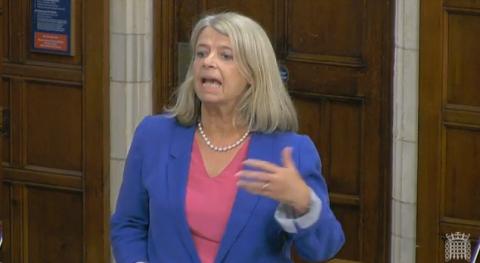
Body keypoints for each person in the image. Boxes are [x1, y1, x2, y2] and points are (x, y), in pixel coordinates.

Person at [110, 12, 345, 263]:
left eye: (225, 55)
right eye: (201, 53)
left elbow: (324, 250)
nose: (208, 62)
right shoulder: (154, 135)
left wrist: (303, 202)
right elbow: (128, 223)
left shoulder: (291, 150)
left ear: (253, 75)